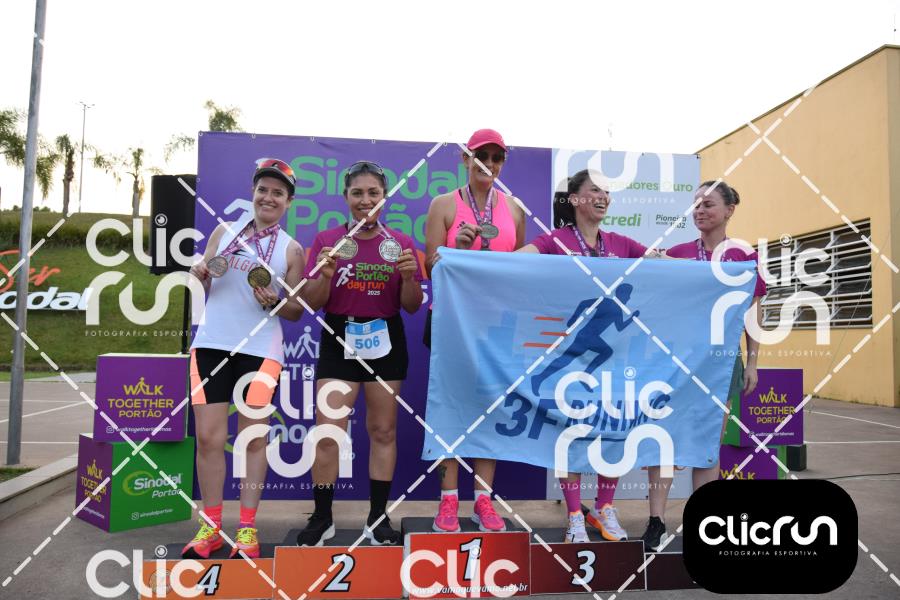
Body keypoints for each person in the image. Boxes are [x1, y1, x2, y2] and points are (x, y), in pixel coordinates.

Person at [519, 169, 655, 543]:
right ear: (575, 198)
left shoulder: (620, 243)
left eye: (607, 191)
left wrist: (714, 269)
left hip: (616, 360)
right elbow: (516, 261)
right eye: (595, 190)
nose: (603, 196)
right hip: (572, 352)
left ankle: (604, 508)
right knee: (572, 432)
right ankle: (575, 515)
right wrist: (463, 258)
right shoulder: (556, 241)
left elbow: (661, 264)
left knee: (614, 428)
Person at [183, 158, 306, 559]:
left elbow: (296, 311)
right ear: (253, 193)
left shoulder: (291, 249)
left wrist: (275, 302)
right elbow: (203, 280)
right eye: (263, 190)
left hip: (261, 350)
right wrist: (199, 274)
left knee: (253, 439)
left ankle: (248, 528)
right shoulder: (224, 231)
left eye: (278, 193)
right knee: (209, 438)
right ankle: (211, 527)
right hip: (212, 344)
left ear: (288, 202)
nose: (269, 197)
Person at [297, 160, 423, 546]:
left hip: (386, 337)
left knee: (383, 430)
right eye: (357, 193)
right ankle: (322, 517)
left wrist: (408, 277)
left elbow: (412, 305)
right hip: (339, 336)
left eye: (373, 193)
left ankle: (378, 518)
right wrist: (325, 274)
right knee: (328, 432)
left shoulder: (400, 243)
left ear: (384, 197)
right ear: (346, 197)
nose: (365, 200)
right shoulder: (327, 239)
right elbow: (312, 302)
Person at [640, 180, 766, 551]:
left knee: (707, 442)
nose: (699, 210)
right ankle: (656, 521)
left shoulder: (743, 257)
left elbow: (753, 314)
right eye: (696, 204)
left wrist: (753, 363)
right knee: (663, 440)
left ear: (729, 210)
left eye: (708, 204)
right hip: (674, 363)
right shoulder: (677, 253)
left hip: (721, 363)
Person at [423, 128, 526, 533]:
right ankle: (448, 500)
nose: (490, 164)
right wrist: (457, 251)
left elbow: (520, 270)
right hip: (452, 321)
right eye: (482, 155)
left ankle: (483, 500)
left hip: (495, 324)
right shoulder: (443, 204)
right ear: (466, 158)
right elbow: (431, 267)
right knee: (449, 407)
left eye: (497, 157)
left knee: (490, 408)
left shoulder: (514, 209)